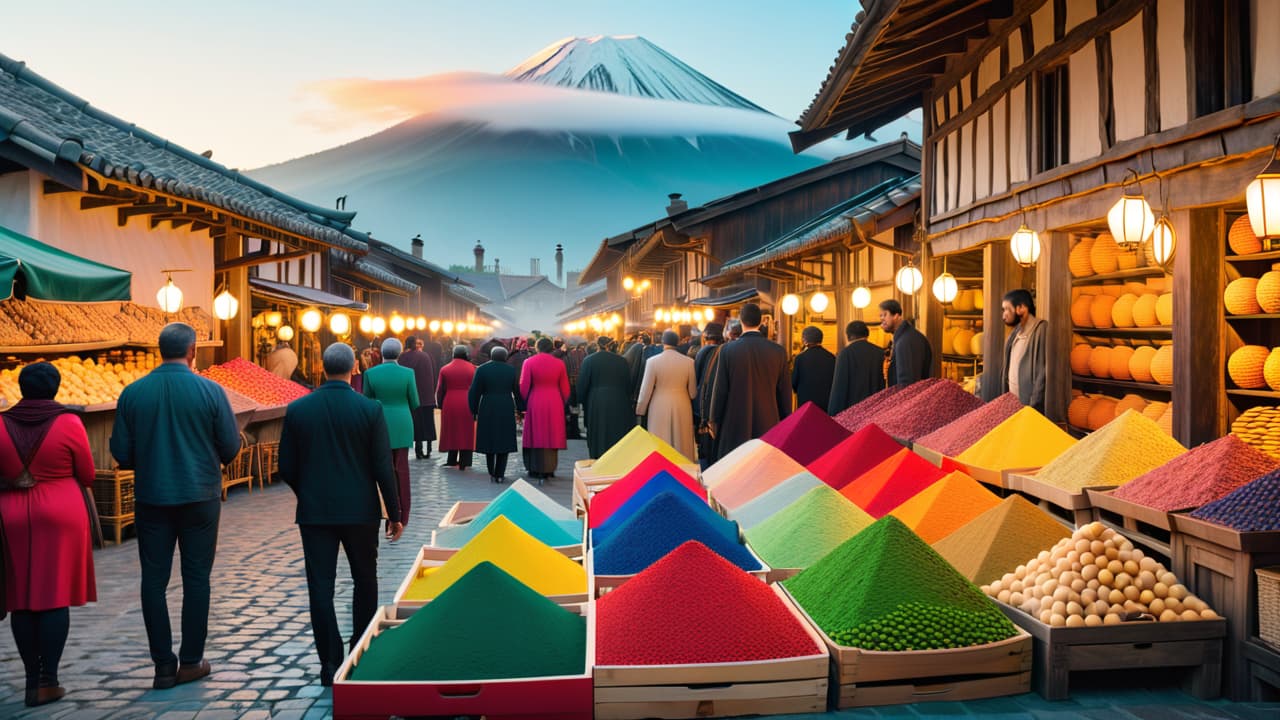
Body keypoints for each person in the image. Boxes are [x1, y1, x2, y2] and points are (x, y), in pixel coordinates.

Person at [111, 323, 240, 690]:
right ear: (193, 351)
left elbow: (121, 452)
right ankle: (191, 659)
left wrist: (150, 457)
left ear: (158, 351)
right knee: (196, 578)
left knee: (153, 580)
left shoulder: (133, 393)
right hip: (200, 495)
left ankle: (163, 666)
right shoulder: (211, 391)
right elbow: (230, 448)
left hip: (152, 496)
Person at [278, 343, 403, 687]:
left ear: (322, 368)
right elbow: (383, 466)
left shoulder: (299, 409)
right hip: (360, 510)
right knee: (365, 579)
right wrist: (394, 512)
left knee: (320, 586)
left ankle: (328, 659)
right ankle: (360, 650)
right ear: (353, 371)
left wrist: (307, 492)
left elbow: (285, 465)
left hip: (315, 512)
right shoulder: (369, 409)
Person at [0, 363, 96, 707]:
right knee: (54, 595)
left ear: (21, 387)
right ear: (55, 388)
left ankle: (29, 679)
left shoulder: (0, 423)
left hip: (11, 513)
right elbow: (86, 473)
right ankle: (48, 679)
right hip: (60, 512)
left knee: (21, 598)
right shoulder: (69, 422)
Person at [708, 303, 789, 457]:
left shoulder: (727, 350)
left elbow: (720, 390)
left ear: (741, 321)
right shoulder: (778, 352)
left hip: (735, 421)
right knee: (765, 468)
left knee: (737, 468)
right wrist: (785, 421)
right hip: (768, 421)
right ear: (760, 322)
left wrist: (714, 419)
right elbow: (783, 393)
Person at [362, 339, 419, 526]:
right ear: (399, 353)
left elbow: (367, 400)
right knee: (401, 469)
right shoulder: (408, 373)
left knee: (383, 469)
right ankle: (403, 513)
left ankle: (386, 512)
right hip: (402, 422)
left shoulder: (370, 373)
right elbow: (415, 401)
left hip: (379, 422)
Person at [636, 330, 698, 460]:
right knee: (682, 442)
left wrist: (640, 410)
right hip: (682, 403)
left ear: (663, 342)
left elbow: (645, 389)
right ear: (678, 343)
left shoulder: (652, 361)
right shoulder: (689, 362)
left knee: (661, 441)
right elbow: (693, 393)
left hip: (659, 403)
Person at [469, 346, 523, 483]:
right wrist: (521, 408)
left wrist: (473, 410)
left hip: (487, 405)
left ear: (491, 356)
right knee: (504, 440)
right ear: (505, 357)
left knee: (489, 439)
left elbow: (474, 392)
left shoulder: (482, 369)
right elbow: (517, 391)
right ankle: (500, 473)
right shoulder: (510, 370)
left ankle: (491, 471)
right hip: (505, 405)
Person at [520, 337, 571, 480]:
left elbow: (524, 386)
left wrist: (522, 404)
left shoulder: (529, 362)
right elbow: (565, 389)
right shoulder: (559, 363)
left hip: (535, 400)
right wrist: (564, 402)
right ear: (551, 348)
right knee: (551, 434)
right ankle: (550, 468)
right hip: (554, 400)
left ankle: (534, 467)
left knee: (535, 433)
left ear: (537, 348)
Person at [576, 338, 635, 459]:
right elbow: (629, 384)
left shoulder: (589, 360)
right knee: (617, 431)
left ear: (597, 346)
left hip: (596, 400)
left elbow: (582, 385)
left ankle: (598, 457)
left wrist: (581, 401)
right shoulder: (622, 361)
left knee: (598, 431)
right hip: (619, 400)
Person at [1001, 288, 1048, 413]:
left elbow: (1042, 372)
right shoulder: (1015, 333)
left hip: (1029, 408)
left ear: (1021, 308)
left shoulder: (1040, 330)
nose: (1003, 315)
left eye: (1007, 309)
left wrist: (1033, 406)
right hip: (1013, 405)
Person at [828, 321, 886, 414]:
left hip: (852, 410)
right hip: (875, 407)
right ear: (867, 334)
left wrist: (833, 412)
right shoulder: (878, 352)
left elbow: (839, 385)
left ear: (848, 336)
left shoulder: (845, 354)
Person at [398, 335, 438, 459]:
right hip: (427, 396)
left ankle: (418, 449)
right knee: (427, 423)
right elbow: (434, 373)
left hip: (411, 396)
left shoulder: (403, 357)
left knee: (416, 424)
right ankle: (429, 448)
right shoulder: (426, 356)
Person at [437, 345, 477, 470]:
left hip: (450, 401)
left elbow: (440, 390)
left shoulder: (445, 369)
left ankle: (451, 459)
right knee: (466, 431)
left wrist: (440, 404)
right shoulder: (473, 369)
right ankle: (466, 460)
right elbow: (476, 388)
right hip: (467, 401)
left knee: (452, 430)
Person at [879, 298, 933, 386]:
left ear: (896, 316)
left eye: (885, 315)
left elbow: (906, 381)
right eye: (880, 316)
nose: (882, 319)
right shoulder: (906, 337)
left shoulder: (905, 341)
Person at [693, 323, 725, 468]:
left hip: (703, 403)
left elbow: (697, 377)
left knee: (703, 443)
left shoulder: (702, 352)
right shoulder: (725, 350)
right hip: (720, 402)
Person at [792, 326, 836, 411]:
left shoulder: (800, 358)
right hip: (826, 403)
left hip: (805, 403)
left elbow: (794, 383)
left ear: (805, 340)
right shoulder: (831, 357)